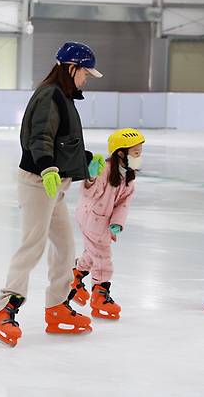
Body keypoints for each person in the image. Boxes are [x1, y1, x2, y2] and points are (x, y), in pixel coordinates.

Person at [0, 42, 103, 347]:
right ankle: (5, 309)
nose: (86, 80)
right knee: (33, 245)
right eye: (85, 74)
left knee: (65, 246)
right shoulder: (50, 95)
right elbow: (39, 136)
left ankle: (56, 307)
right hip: (40, 182)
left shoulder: (63, 96)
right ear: (71, 69)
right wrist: (47, 167)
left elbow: (64, 141)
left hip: (55, 184)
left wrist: (86, 161)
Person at [70, 128, 144, 320]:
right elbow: (89, 194)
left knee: (93, 253)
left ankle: (75, 276)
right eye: (136, 153)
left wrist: (117, 223)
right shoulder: (105, 169)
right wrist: (91, 177)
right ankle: (100, 294)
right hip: (91, 217)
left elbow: (123, 203)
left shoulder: (128, 176)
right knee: (103, 257)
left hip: (102, 220)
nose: (139, 157)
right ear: (121, 153)